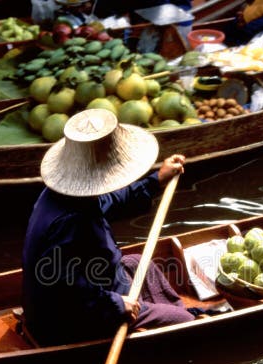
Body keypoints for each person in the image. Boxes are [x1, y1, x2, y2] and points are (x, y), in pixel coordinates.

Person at [21, 109, 194, 346]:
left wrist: (156, 180)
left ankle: (160, 314)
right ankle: (177, 319)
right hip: (67, 319)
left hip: (93, 286)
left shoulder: (69, 194)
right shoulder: (70, 220)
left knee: (137, 263)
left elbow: (109, 201)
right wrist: (115, 303)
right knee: (184, 320)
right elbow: (62, 286)